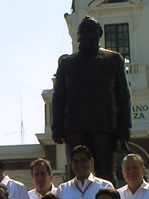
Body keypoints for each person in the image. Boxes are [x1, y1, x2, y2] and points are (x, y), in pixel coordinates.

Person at [51, 15, 131, 185]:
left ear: (99, 34)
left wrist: (125, 127)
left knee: (106, 174)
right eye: (83, 31)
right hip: (75, 127)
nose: (87, 34)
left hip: (104, 127)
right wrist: (56, 126)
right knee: (76, 175)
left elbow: (123, 95)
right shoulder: (67, 63)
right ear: (78, 34)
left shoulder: (113, 59)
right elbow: (58, 97)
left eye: (91, 30)